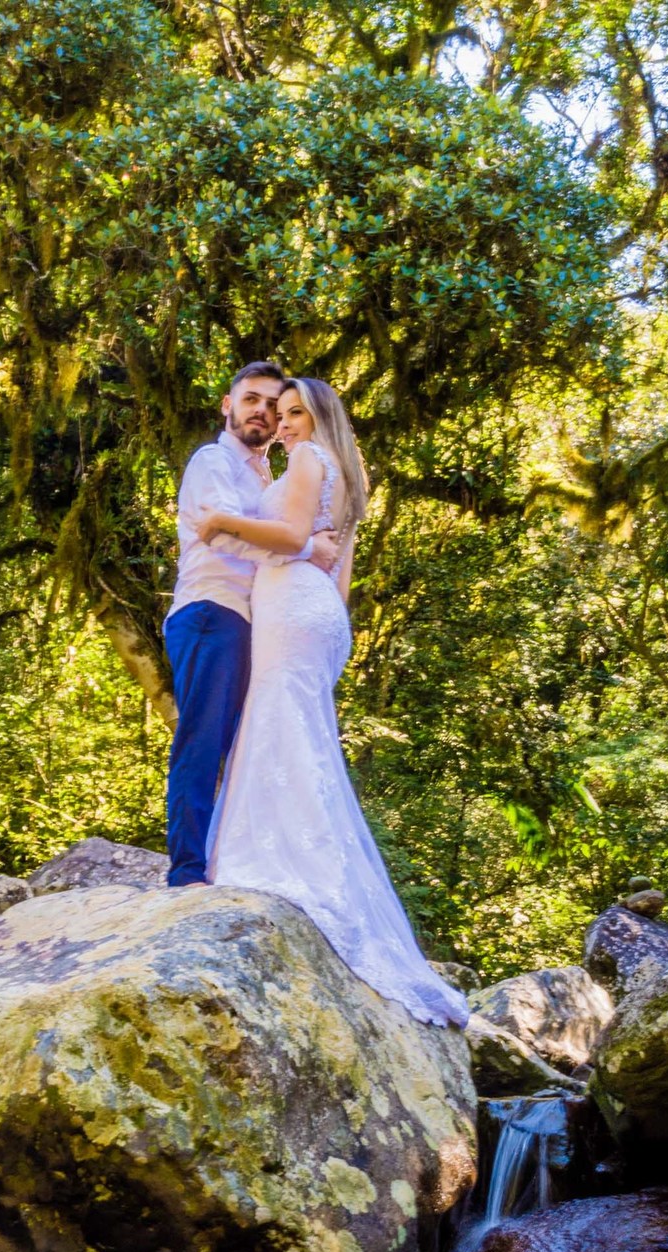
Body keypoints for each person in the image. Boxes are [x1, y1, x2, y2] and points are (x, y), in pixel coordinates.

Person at [195, 375, 468, 1029]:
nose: (284, 423)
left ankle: (286, 864)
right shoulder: (344, 474)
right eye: (280, 413)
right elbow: (329, 560)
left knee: (278, 724)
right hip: (316, 611)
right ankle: (307, 857)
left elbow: (290, 538)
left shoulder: (310, 461)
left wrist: (219, 521)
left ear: (319, 419)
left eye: (296, 413)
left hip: (292, 603)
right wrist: (332, 620)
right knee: (298, 731)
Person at [163, 362, 339, 889]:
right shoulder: (212, 461)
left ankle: (239, 862)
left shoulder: (273, 472)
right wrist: (308, 549)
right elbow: (223, 535)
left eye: (273, 405)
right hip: (211, 610)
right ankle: (187, 871)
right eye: (251, 400)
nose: (262, 412)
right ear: (227, 406)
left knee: (253, 744)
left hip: (257, 623)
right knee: (203, 740)